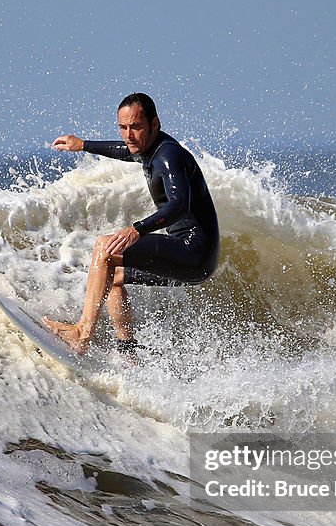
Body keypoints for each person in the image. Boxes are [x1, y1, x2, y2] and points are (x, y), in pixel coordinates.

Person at [43, 92, 220, 355]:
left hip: (193, 251)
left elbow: (180, 204)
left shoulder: (168, 156)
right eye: (123, 127)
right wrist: (83, 145)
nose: (129, 135)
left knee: (105, 247)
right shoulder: (149, 148)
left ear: (154, 124)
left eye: (135, 127)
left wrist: (138, 229)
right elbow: (126, 150)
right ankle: (129, 351)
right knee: (111, 276)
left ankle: (82, 333)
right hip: (194, 257)